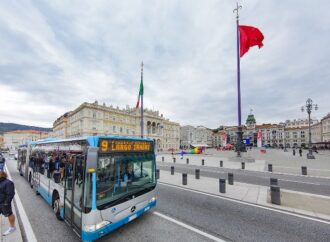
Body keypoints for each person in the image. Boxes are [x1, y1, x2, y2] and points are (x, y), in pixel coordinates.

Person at [0, 171, 16, 236]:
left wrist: (6, 202)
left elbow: (10, 194)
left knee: (9, 214)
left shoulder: (8, 183)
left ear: (2, 175)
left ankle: (12, 227)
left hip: (4, 203)